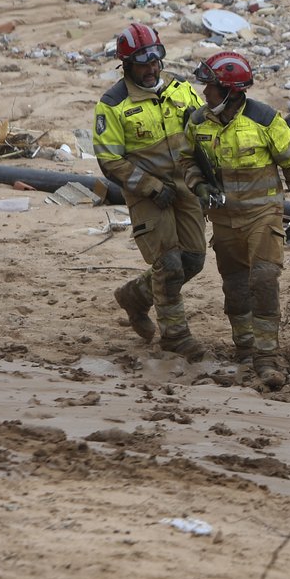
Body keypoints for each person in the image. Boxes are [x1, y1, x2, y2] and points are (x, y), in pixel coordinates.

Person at [180, 51, 290, 390]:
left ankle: (266, 357)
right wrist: (199, 184)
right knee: (235, 287)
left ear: (230, 91)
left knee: (264, 280)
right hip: (224, 219)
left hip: (262, 216)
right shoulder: (198, 122)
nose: (204, 93)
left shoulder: (265, 120)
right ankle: (244, 349)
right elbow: (187, 162)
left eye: (209, 87)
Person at [92, 23, 208, 361]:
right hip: (148, 194)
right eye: (143, 64)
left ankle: (136, 296)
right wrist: (150, 187)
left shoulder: (181, 89)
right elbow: (109, 160)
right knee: (169, 263)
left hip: (187, 187)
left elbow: (203, 133)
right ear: (126, 65)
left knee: (193, 261)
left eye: (155, 61)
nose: (151, 69)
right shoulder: (112, 105)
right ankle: (176, 336)